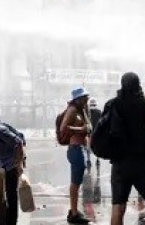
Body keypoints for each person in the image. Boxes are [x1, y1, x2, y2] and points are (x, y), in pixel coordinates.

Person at [106, 72, 145, 225]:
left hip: (119, 163)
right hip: (142, 162)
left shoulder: (112, 104)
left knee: (118, 207)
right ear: (138, 85)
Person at [60, 87, 92, 224]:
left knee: (77, 182)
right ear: (77, 99)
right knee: (75, 183)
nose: (87, 99)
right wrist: (81, 129)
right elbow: (63, 128)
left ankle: (73, 210)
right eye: (84, 97)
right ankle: (73, 213)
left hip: (80, 149)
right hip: (75, 149)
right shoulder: (72, 110)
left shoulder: (81, 110)